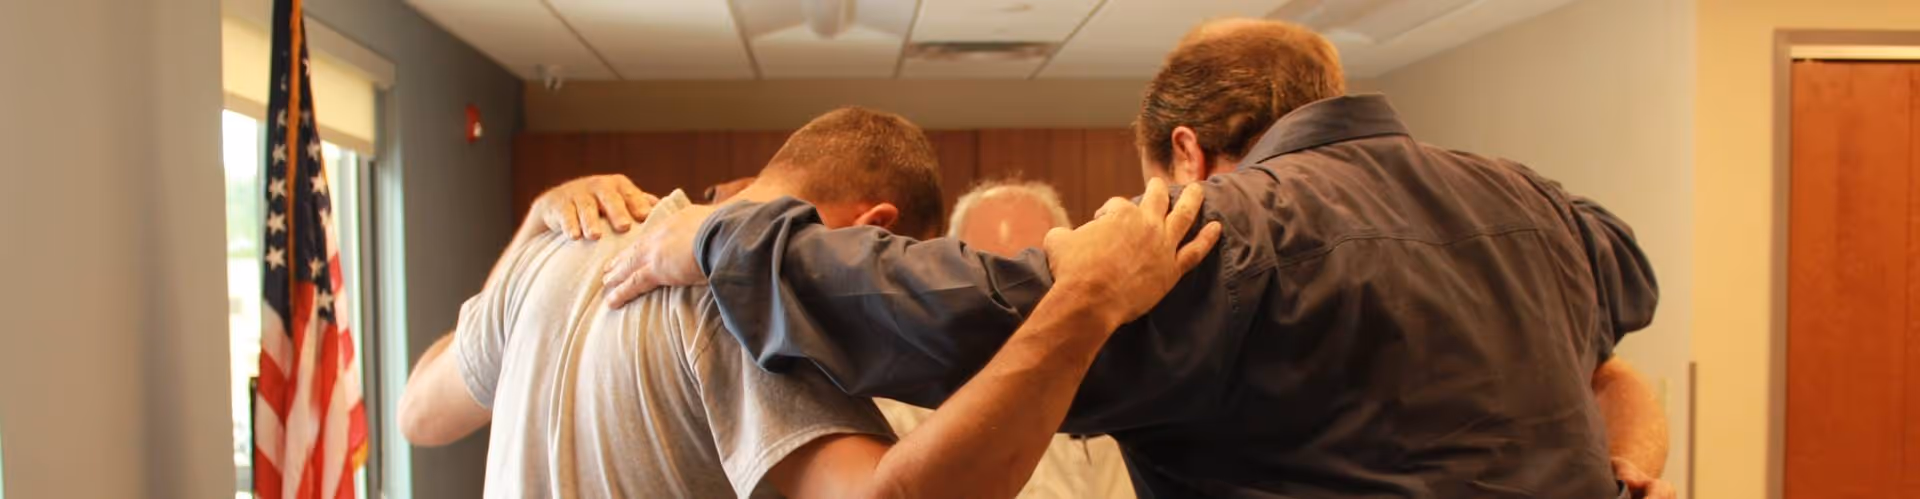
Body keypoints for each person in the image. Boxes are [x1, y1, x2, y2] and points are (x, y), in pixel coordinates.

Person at [602, 19, 1667, 498]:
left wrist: (720, 230)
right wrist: (1626, 457)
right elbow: (1625, 297)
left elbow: (957, 311)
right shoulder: (1541, 208)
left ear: (1186, 155)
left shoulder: (1221, 235)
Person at [395, 107, 1220, 498]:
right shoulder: (749, 304)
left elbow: (419, 412)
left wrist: (534, 226)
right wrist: (1089, 299)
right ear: (875, 231)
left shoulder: (561, 249)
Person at [879, 179, 1135, 499]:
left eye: (1029, 272)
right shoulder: (902, 408)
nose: (1010, 299)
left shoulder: (1119, 389)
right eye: (988, 274)